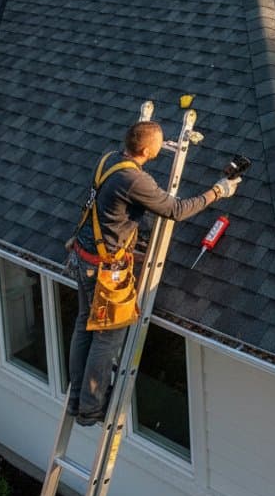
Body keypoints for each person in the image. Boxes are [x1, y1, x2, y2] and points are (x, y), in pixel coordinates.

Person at [67, 119, 240, 425]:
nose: (165, 146)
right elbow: (176, 210)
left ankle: (77, 399)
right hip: (103, 268)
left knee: (84, 326)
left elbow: (116, 209)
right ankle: (90, 408)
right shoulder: (135, 181)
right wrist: (218, 191)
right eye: (161, 143)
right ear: (146, 149)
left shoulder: (109, 158)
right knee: (106, 338)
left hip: (83, 256)